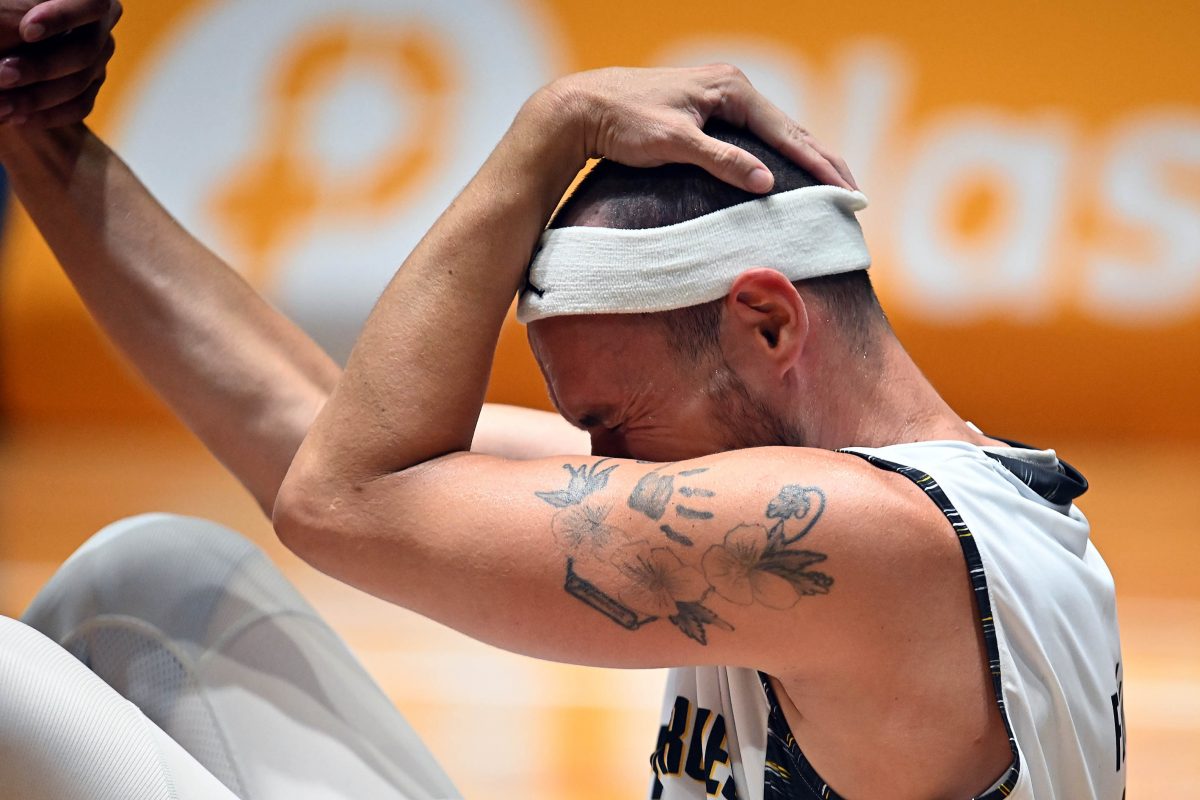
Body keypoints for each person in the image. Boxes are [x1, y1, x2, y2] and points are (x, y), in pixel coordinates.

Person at [0, 5, 1123, 798]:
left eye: (615, 420)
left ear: (769, 323)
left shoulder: (871, 538)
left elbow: (341, 499)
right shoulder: (895, 500)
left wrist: (550, 128)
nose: (605, 462)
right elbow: (314, 437)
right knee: (144, 577)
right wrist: (33, 123)